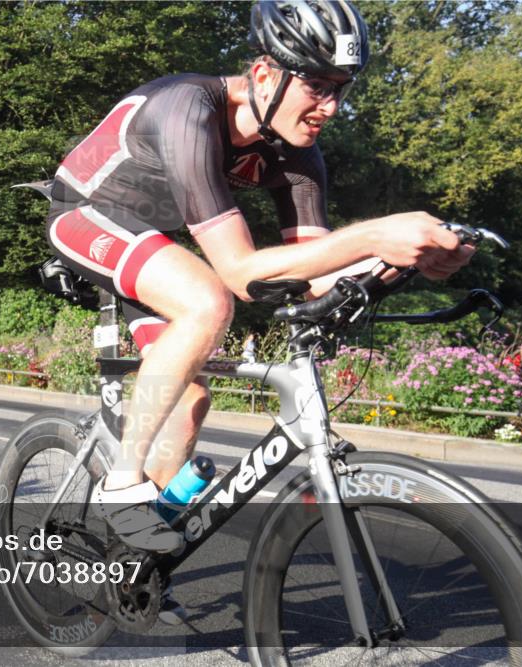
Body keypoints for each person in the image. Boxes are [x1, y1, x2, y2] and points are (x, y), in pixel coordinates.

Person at [45, 0, 474, 555]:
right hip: (84, 213)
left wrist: (407, 261)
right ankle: (119, 484)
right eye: (318, 86)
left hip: (155, 238)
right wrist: (374, 234)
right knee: (208, 299)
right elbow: (241, 273)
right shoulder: (187, 109)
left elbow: (317, 273)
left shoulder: (297, 157)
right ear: (266, 74)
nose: (332, 108)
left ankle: (132, 562)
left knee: (190, 397)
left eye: (342, 89)